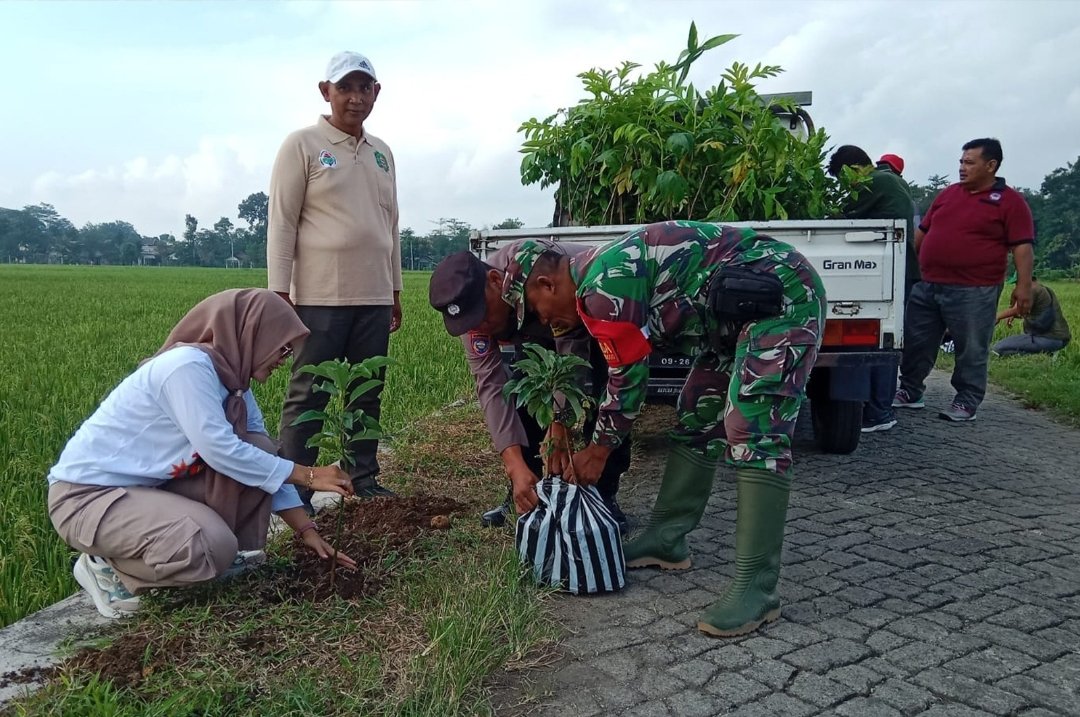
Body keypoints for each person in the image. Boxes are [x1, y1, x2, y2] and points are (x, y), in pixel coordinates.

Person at [516, 220, 826, 637]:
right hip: (731, 322)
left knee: (752, 432)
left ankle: (758, 587)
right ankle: (667, 537)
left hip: (783, 301)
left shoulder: (603, 286)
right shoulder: (597, 277)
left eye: (535, 307)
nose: (543, 320)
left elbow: (627, 377)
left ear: (546, 284)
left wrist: (600, 448)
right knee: (697, 413)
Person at [47, 289, 357, 620]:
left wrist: (307, 531)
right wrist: (309, 475)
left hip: (143, 493)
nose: (285, 358)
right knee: (212, 548)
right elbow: (220, 449)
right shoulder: (186, 368)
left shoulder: (234, 385)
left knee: (259, 449)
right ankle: (107, 569)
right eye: (281, 346)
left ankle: (204, 552)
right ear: (252, 333)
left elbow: (260, 458)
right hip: (86, 499)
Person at [268, 50, 402, 507]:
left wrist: (396, 289)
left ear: (376, 93)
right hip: (319, 298)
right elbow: (282, 223)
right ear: (326, 92)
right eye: (345, 88)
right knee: (309, 393)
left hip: (375, 296)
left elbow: (391, 226)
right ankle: (296, 490)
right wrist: (278, 294)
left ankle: (363, 477)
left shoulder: (383, 153)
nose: (355, 97)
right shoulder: (302, 145)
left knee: (367, 391)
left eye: (364, 88)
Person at [428, 246, 631, 535]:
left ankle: (604, 494)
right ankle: (525, 490)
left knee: (605, 392)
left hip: (585, 319)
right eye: (470, 322)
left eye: (481, 315)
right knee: (523, 388)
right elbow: (490, 386)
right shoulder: (474, 321)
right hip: (534, 334)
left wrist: (559, 423)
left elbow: (571, 355)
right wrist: (514, 467)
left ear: (497, 282)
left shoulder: (536, 272)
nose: (480, 327)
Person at [894, 138, 1035, 422]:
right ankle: (910, 391)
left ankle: (966, 400)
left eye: (969, 162)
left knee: (971, 346)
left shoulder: (1009, 201)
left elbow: (1022, 246)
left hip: (975, 288)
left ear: (991, 165)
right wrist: (911, 268)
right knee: (916, 340)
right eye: (961, 161)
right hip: (928, 283)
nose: (962, 167)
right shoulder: (948, 194)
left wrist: (1023, 286)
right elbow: (922, 232)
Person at [827, 145, 917, 433]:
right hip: (894, 268)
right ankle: (878, 409)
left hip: (893, 270)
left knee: (880, 343)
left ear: (854, 169)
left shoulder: (875, 182)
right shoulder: (890, 181)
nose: (847, 186)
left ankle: (880, 411)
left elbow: (841, 218)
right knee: (881, 339)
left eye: (844, 179)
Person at [992, 274, 1071, 356]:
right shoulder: (1042, 289)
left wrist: (997, 317)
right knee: (1005, 350)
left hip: (1046, 338)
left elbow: (1016, 309)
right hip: (1058, 339)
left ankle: (1043, 354)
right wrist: (1012, 315)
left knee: (998, 348)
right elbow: (1028, 312)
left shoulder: (1030, 289)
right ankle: (1044, 354)